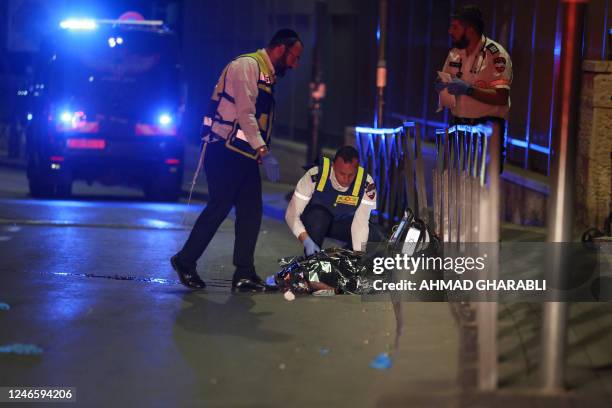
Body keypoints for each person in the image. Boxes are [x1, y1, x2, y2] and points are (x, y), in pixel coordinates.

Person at [171, 29, 304, 292]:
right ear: (280, 49)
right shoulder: (246, 66)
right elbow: (246, 113)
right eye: (294, 57)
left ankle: (244, 274)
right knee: (220, 206)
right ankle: (185, 260)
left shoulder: (265, 73)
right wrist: (263, 151)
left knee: (251, 211)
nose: (295, 64)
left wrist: (256, 152)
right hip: (223, 149)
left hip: (242, 153)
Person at [435, 4, 513, 162]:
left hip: (486, 132)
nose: (450, 32)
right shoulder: (455, 54)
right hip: (458, 129)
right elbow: (444, 77)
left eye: (455, 27)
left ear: (469, 29)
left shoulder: (495, 54)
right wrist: (441, 85)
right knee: (454, 181)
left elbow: (501, 97)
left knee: (485, 184)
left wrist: (468, 90)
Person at [285, 146, 381, 256]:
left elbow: (361, 223)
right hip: (316, 223)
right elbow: (291, 214)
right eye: (342, 173)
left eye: (351, 175)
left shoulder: (367, 184)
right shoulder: (315, 175)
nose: (346, 179)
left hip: (341, 224)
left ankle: (345, 261)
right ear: (333, 166)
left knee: (374, 234)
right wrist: (306, 241)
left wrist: (358, 255)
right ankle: (312, 259)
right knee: (318, 216)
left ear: (357, 169)